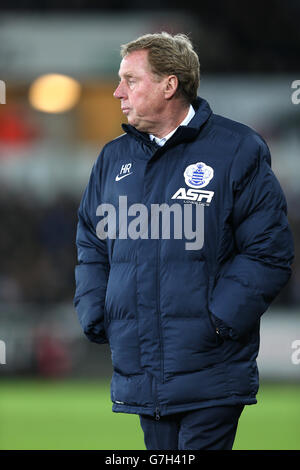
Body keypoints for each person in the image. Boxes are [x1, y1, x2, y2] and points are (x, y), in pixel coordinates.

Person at [74, 32, 294, 450]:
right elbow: (92, 242)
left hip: (210, 368)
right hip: (142, 372)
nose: (118, 91)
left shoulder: (237, 149)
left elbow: (269, 250)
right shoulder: (112, 158)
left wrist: (217, 321)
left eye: (130, 80)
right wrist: (95, 308)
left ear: (169, 85)